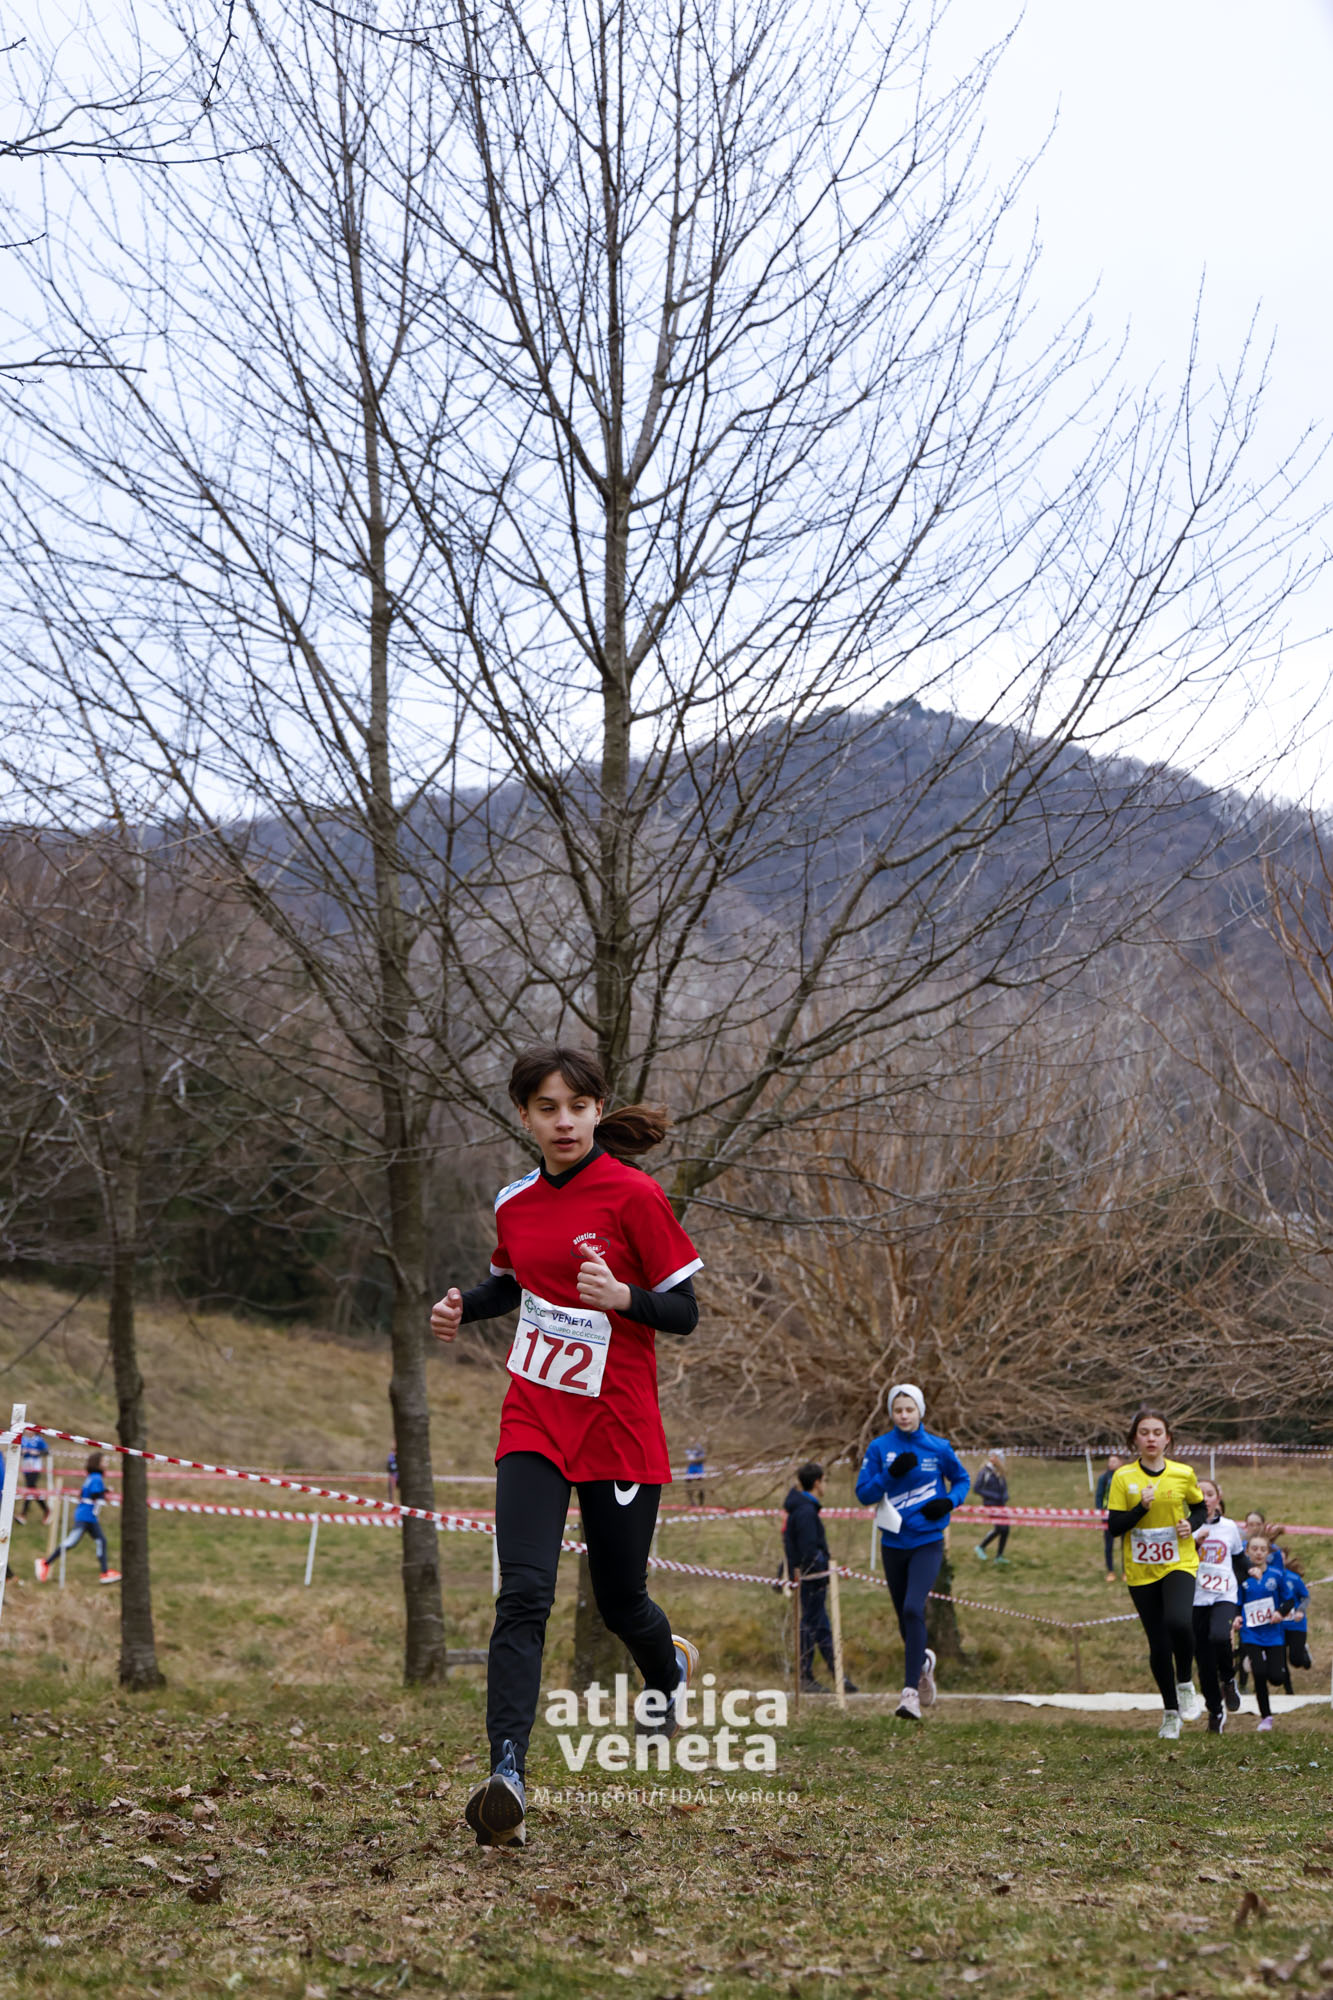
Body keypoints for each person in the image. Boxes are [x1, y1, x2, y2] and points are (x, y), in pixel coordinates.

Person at [430, 1044, 704, 1848]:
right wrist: (463, 1305)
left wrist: (622, 1296)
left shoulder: (634, 1195)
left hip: (617, 1425)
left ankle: (666, 1671)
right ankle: (506, 1774)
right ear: (523, 1115)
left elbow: (684, 1311)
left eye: (577, 1107)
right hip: (534, 1419)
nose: (563, 1122)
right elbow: (512, 1281)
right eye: (546, 1108)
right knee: (523, 1593)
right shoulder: (514, 1201)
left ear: (596, 1111)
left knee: (620, 1601)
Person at [855, 1382, 970, 1722]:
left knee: (912, 1607)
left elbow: (962, 1480)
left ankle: (909, 1695)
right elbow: (864, 1494)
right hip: (893, 1542)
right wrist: (890, 1475)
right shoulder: (880, 1448)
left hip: (927, 1540)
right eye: (898, 1410)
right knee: (904, 1619)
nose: (904, 1415)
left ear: (920, 1411)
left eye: (910, 1409)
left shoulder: (938, 1448)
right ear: (891, 1413)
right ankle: (923, 1663)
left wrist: (949, 1502)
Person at [1105, 1409, 1206, 1739]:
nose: (1151, 1438)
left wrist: (1191, 1524)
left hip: (1179, 1561)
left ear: (1167, 1439)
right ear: (1134, 1439)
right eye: (1144, 1432)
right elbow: (1114, 1527)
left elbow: (1201, 1508)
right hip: (1141, 1569)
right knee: (1159, 1643)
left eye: (1157, 1432)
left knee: (1179, 1622)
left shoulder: (1183, 1473)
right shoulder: (1123, 1477)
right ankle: (1171, 1712)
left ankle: (1185, 1683)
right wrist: (1140, 1508)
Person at [782, 1461, 857, 1695]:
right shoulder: (805, 1512)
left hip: (813, 1578)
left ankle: (838, 1676)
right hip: (811, 1579)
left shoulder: (803, 1509)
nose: (826, 1485)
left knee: (821, 1627)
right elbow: (808, 1549)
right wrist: (822, 1570)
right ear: (817, 1482)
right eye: (825, 1481)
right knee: (810, 1625)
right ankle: (806, 1676)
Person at [1191, 1477, 1247, 1733]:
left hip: (1224, 1593)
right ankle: (1215, 1711)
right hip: (1195, 1597)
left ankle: (1228, 1679)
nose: (1204, 1498)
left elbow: (1238, 1557)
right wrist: (1194, 1543)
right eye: (1199, 1493)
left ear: (1218, 1498)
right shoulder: (1185, 1526)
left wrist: (1252, 1570)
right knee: (1203, 1662)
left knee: (1220, 1636)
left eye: (1209, 1493)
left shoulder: (1229, 1527)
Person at [1234, 1532, 1296, 1731]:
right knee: (1259, 1673)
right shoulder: (1242, 1578)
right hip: (1250, 1633)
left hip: (1273, 1633)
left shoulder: (1276, 1575)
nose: (1259, 1553)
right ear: (1247, 1551)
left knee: (1277, 1678)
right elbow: (1236, 1603)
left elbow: (1289, 1600)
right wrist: (1236, 1617)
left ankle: (1262, 1661)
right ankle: (1266, 1717)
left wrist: (1279, 1612)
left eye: (1263, 1549)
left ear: (1268, 1553)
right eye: (1254, 1549)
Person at [35, 1453, 121, 1585]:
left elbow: (84, 1493)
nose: (107, 1464)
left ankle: (105, 1572)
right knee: (71, 1542)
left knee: (101, 1541)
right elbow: (94, 1494)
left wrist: (103, 1492)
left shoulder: (91, 1477)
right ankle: (45, 1563)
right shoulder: (96, 1478)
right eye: (104, 1461)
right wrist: (105, 1492)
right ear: (97, 1463)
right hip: (85, 1517)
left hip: (90, 1517)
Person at [972, 1450, 1010, 1564]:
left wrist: (1005, 1495)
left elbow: (1003, 1487)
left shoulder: (999, 1472)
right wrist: (993, 1496)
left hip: (1001, 1504)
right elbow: (977, 1489)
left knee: (1005, 1529)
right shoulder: (985, 1472)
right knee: (1001, 1528)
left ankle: (999, 1556)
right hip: (990, 1504)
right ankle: (980, 1547)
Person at [1094, 1453, 1123, 1582]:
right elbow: (1099, 1495)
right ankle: (1110, 1571)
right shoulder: (1104, 1478)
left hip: (1124, 1514)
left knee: (1125, 1544)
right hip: (1108, 1515)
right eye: (1110, 1461)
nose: (1111, 1464)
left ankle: (1125, 1571)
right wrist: (1100, 1510)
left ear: (1120, 1463)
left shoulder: (1125, 1477)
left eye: (1114, 1461)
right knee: (1109, 1544)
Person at [1281, 1556, 1311, 1673]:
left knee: (1296, 1661)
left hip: (1295, 1624)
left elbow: (1306, 1597)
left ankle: (1303, 1651)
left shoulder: (1293, 1578)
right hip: (1276, 1626)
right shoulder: (1265, 1577)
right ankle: (1287, 1685)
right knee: (1280, 1662)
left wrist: (1300, 1610)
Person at [18, 1429, 52, 1525]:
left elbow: (46, 1451)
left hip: (35, 1466)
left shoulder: (38, 1440)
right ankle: (46, 1510)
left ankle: (23, 1514)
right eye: (27, 1430)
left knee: (30, 1487)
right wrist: (21, 1451)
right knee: (31, 1488)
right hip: (26, 1466)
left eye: (30, 1430)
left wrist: (37, 1452)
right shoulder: (23, 1439)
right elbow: (16, 1450)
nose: (28, 1432)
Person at [684, 1442, 707, 1508]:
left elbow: (702, 1459)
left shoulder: (700, 1448)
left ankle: (701, 1503)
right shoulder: (689, 1447)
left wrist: (696, 1458)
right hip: (690, 1469)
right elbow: (687, 1456)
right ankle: (692, 1502)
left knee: (701, 1487)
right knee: (688, 1486)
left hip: (698, 1469)